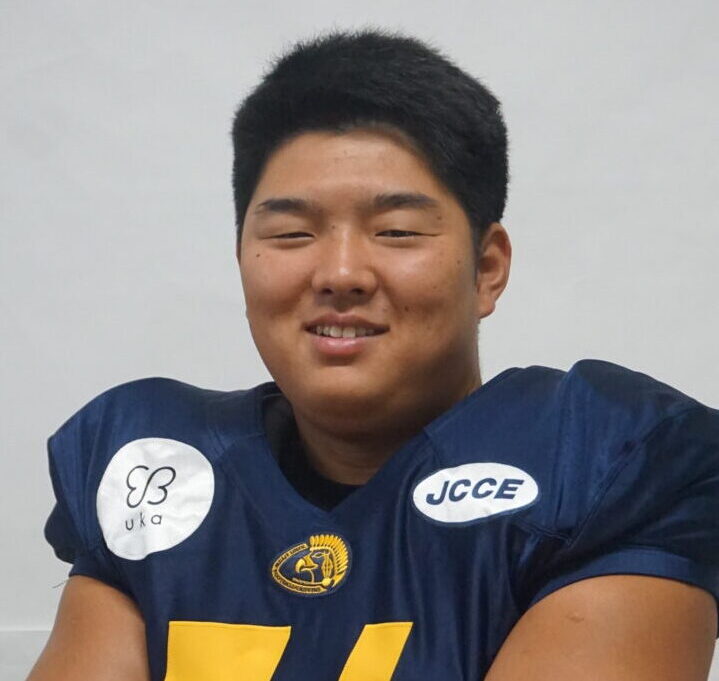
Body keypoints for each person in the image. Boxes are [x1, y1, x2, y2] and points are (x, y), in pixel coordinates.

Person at [28, 28, 719, 681]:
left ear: (486, 268)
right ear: (241, 257)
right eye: (292, 234)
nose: (340, 273)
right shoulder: (150, 467)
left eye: (395, 231)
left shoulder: (605, 461)